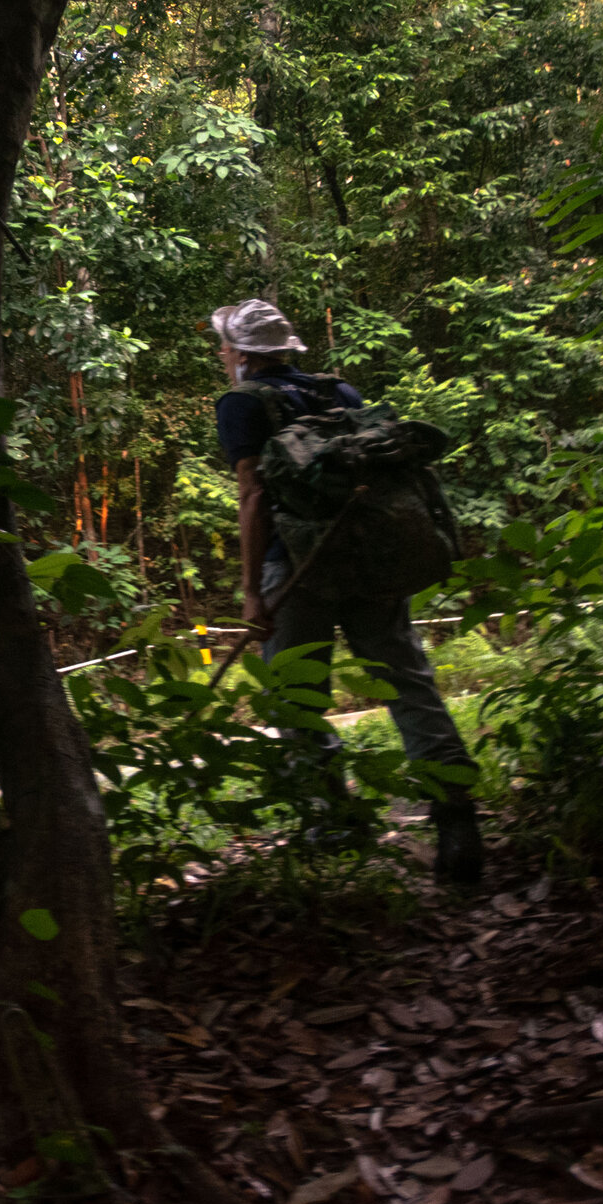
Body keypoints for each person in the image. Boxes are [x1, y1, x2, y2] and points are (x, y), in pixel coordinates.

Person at [208, 298, 483, 882]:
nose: (223, 355)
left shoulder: (241, 403)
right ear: (287, 348)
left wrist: (252, 592)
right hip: (370, 558)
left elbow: (254, 496)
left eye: (225, 346)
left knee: (293, 697)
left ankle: (333, 821)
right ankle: (456, 817)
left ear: (242, 354)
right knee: (409, 685)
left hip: (299, 570)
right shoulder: (342, 393)